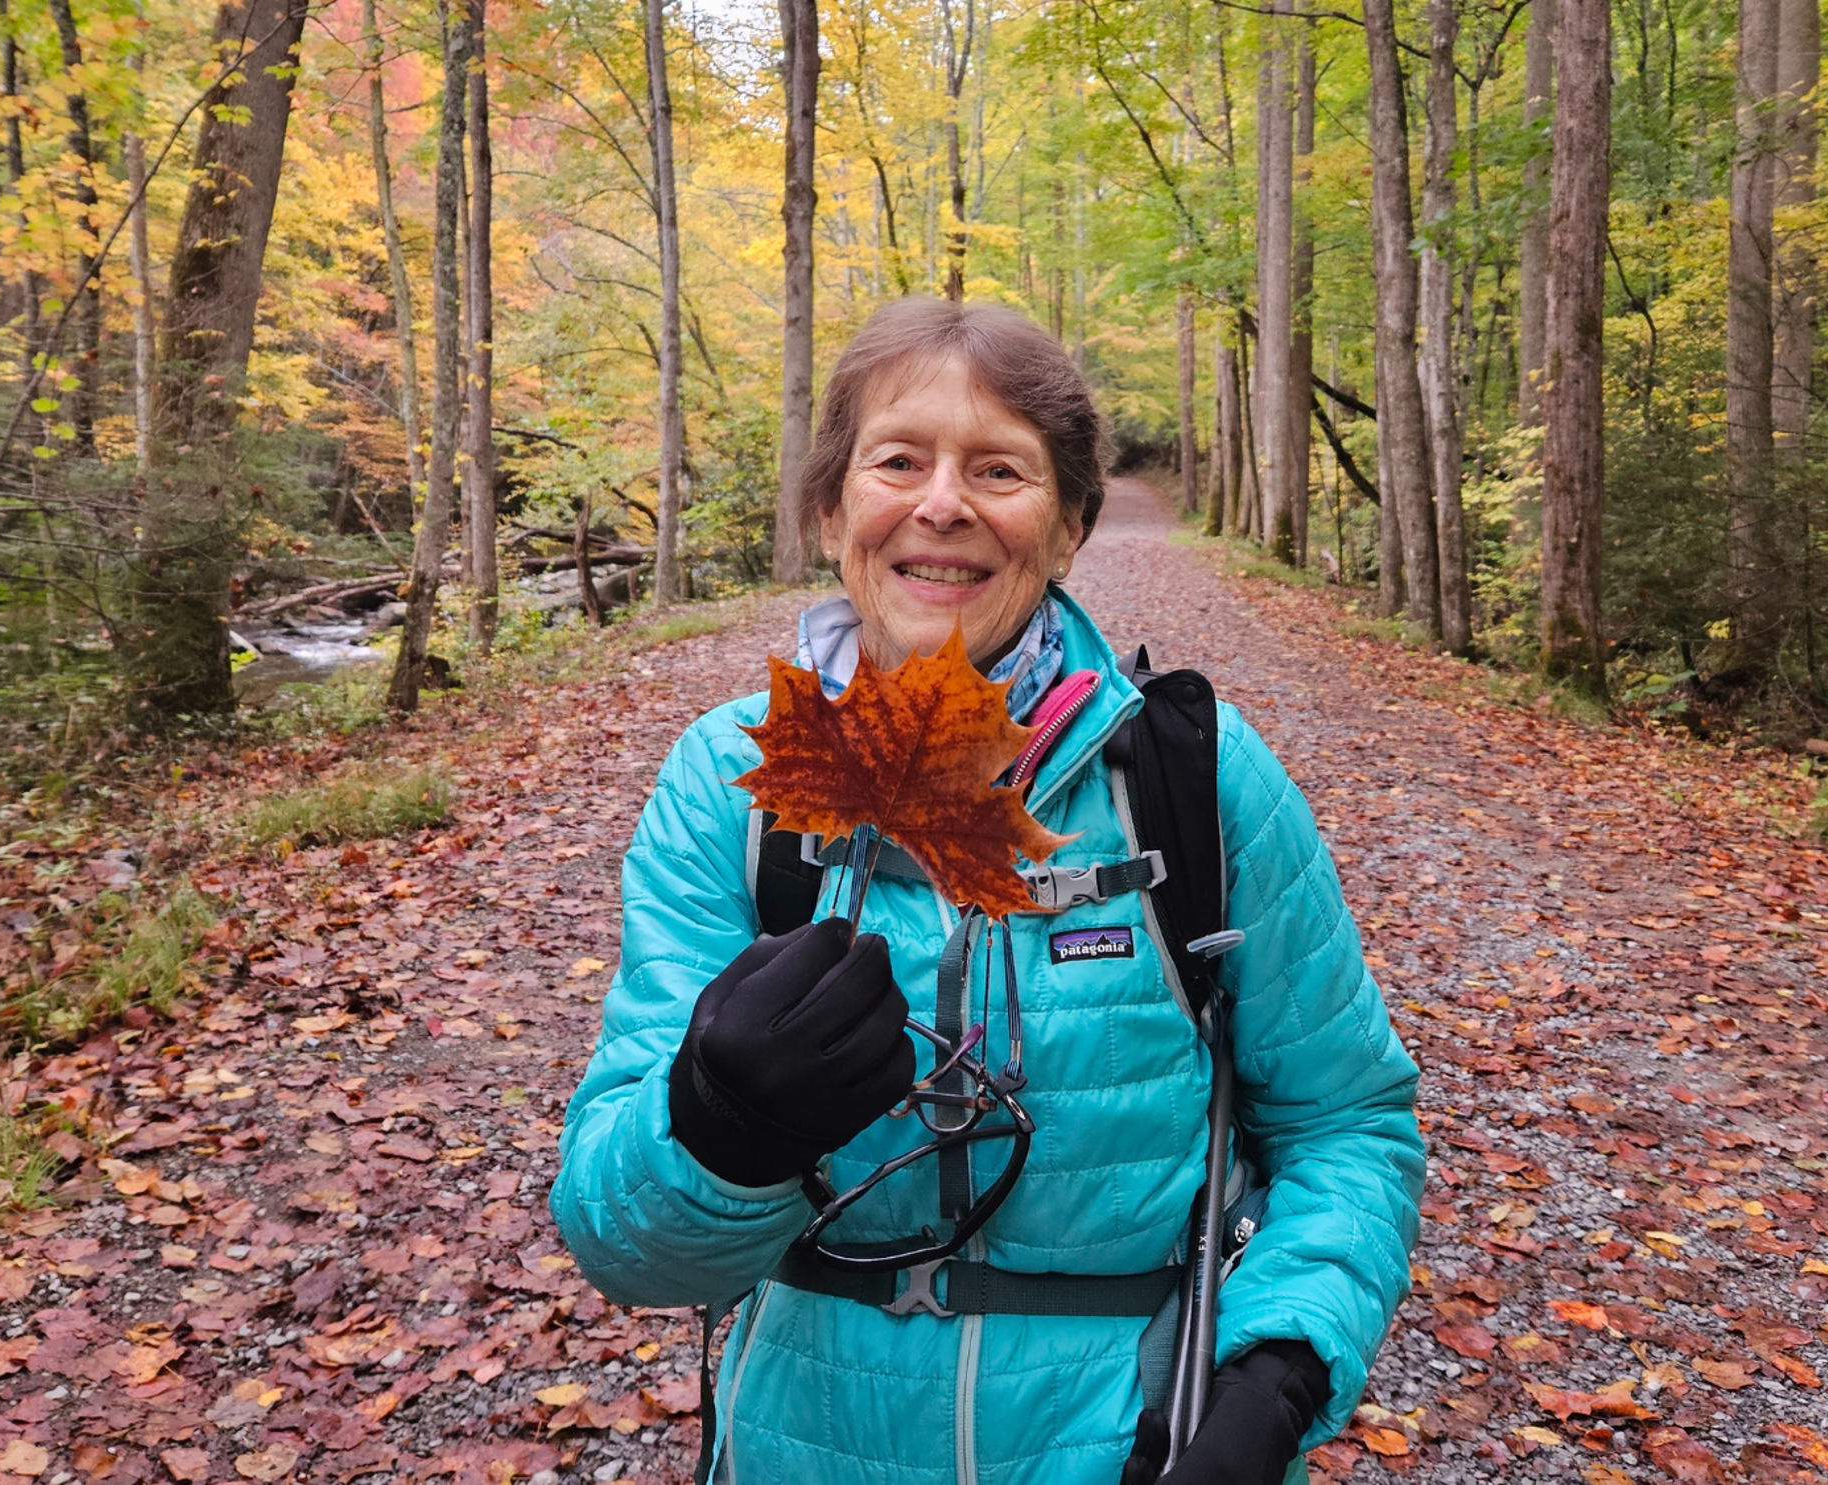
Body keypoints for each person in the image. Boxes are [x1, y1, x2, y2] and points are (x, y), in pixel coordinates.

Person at [550, 298, 1424, 1485]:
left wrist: (1278, 1374)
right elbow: (627, 1252)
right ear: (831, 509)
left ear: (1069, 528)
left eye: (999, 469)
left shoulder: (1191, 779)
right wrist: (717, 1125)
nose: (943, 503)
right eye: (898, 460)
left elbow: (1345, 1121)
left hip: (1120, 1445)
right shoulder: (734, 783)